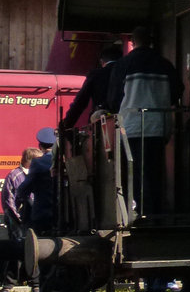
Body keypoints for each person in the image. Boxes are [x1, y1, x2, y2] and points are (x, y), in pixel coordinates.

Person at [107, 27, 182, 216]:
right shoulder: (165, 64)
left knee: (136, 172)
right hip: (158, 125)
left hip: (132, 126)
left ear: (133, 41)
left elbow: (114, 98)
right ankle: (156, 211)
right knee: (155, 170)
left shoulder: (124, 64)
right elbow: (178, 90)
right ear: (150, 40)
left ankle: (142, 212)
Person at [15, 128, 57, 292]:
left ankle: (44, 288)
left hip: (43, 214)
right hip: (66, 214)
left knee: (41, 251)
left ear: (40, 146)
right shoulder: (66, 158)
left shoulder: (39, 163)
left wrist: (23, 197)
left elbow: (24, 189)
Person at [1, 146, 43, 292]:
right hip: (18, 221)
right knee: (18, 250)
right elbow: (8, 200)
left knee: (35, 251)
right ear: (29, 161)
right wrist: (18, 219)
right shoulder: (14, 175)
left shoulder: (37, 174)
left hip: (34, 219)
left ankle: (35, 284)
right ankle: (9, 284)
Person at [59, 43, 123, 131]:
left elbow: (81, 102)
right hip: (125, 120)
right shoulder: (126, 73)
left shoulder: (96, 74)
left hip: (101, 122)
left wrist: (67, 124)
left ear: (102, 61)